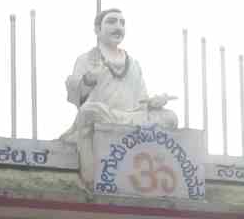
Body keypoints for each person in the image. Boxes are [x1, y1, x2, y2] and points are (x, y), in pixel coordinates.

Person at [60, 9, 178, 176]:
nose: (118, 27)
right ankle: (91, 177)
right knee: (88, 112)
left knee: (170, 117)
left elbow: (141, 101)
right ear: (97, 29)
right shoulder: (87, 59)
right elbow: (76, 97)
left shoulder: (133, 63)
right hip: (105, 116)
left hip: (132, 119)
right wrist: (89, 79)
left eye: (122, 23)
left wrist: (154, 103)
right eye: (112, 21)